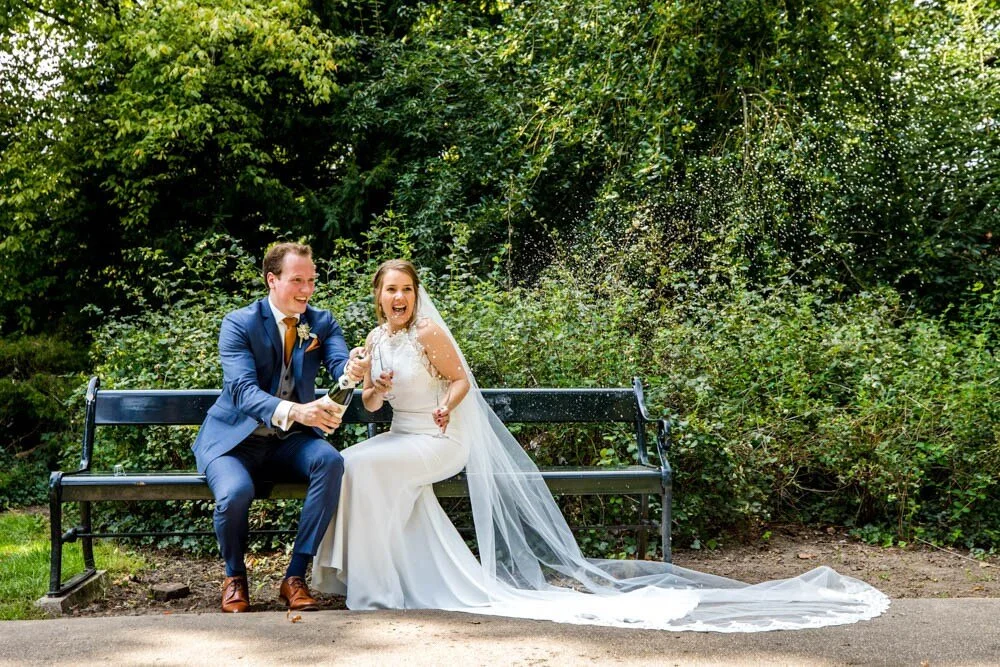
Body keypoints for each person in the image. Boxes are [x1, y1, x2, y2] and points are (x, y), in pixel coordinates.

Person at [312, 259, 890, 631]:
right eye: (390, 290)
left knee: (369, 470)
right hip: (401, 435)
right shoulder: (375, 340)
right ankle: (372, 578)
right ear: (378, 295)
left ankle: (377, 588)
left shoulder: (428, 333)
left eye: (406, 289)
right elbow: (373, 406)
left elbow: (462, 381)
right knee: (349, 461)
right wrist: (370, 384)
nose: (399, 297)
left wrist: (446, 405)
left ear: (415, 294)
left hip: (440, 439)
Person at [192, 242, 369, 613]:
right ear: (272, 280)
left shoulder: (321, 322)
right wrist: (298, 411)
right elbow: (242, 391)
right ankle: (234, 577)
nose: (307, 289)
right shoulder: (239, 323)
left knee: (330, 462)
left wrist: (353, 367)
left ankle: (295, 577)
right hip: (233, 443)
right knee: (235, 493)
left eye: (311, 280)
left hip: (287, 443)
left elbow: (339, 364)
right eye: (297, 280)